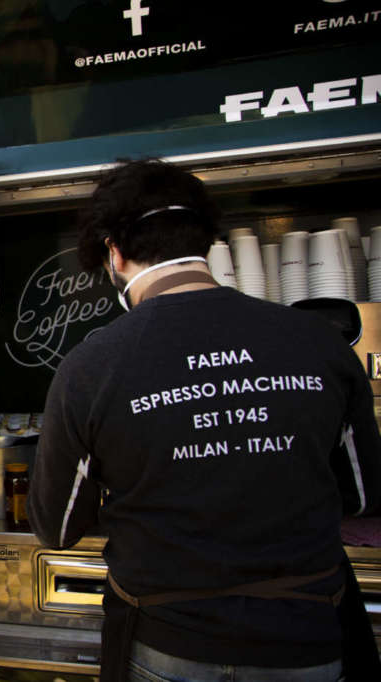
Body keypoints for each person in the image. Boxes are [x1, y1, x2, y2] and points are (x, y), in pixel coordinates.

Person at [27, 159, 381, 681]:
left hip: (168, 639)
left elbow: (56, 527)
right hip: (305, 638)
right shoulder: (320, 343)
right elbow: (363, 495)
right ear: (206, 241)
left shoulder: (91, 367)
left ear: (114, 253)